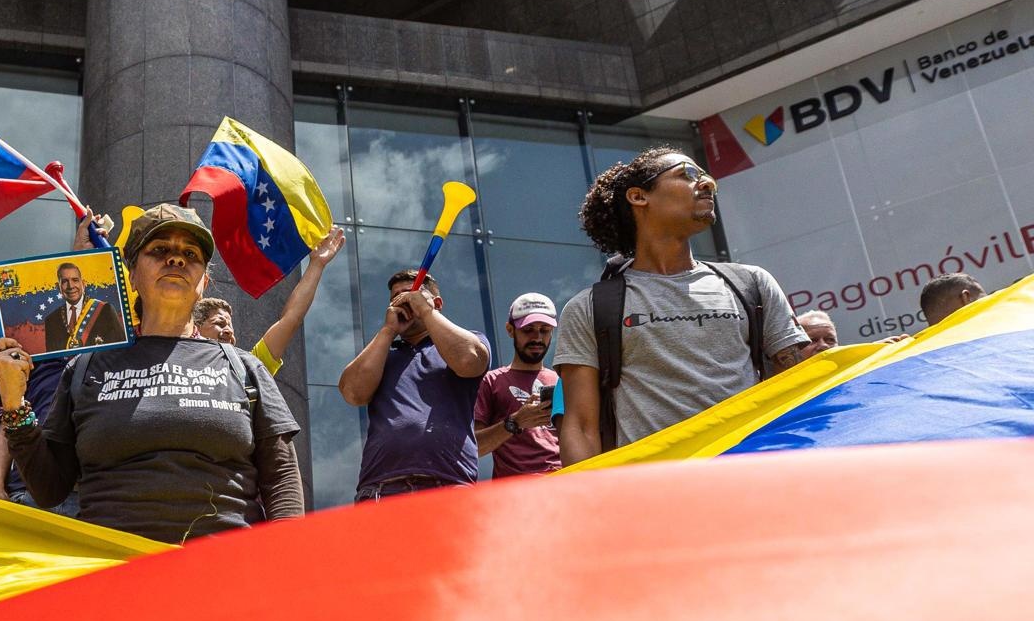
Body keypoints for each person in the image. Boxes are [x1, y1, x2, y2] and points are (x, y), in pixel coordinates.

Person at [0, 204, 302, 543]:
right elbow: (50, 489)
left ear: (205, 280)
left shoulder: (244, 368)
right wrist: (13, 403)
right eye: (159, 250)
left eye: (190, 254)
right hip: (115, 566)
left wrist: (286, 559)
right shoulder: (85, 368)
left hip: (224, 567)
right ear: (132, 275)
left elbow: (282, 480)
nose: (176, 259)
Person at [552, 148, 806, 462]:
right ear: (638, 197)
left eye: (706, 176)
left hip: (748, 477)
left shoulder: (752, 283)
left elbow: (798, 392)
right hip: (653, 486)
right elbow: (580, 426)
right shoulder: (589, 308)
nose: (708, 183)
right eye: (687, 174)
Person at [338, 269, 490, 499]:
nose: (404, 301)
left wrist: (426, 311)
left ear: (437, 303)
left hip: (449, 485)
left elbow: (470, 360)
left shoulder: (467, 340)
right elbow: (352, 393)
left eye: (411, 294)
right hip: (381, 489)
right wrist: (388, 330)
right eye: (396, 298)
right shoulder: (382, 357)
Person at [190, 224, 346, 375]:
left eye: (230, 327)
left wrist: (317, 264)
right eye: (219, 323)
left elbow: (291, 319)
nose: (229, 331)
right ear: (194, 327)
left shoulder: (248, 370)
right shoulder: (177, 364)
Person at [473, 293, 561, 478]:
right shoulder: (491, 381)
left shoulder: (562, 381)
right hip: (514, 490)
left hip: (562, 484)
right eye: (528, 330)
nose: (537, 338)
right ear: (510, 330)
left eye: (545, 330)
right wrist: (515, 422)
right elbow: (474, 447)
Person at [42, 260, 125, 356]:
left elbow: (121, 351)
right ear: (58, 287)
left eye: (75, 280)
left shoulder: (105, 310)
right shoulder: (51, 320)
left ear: (83, 284)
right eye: (65, 281)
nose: (70, 286)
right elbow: (52, 359)